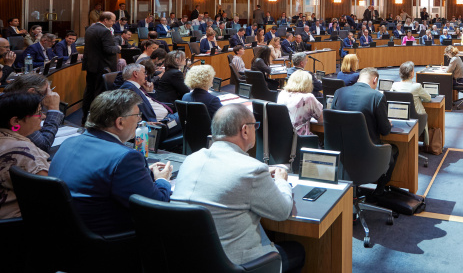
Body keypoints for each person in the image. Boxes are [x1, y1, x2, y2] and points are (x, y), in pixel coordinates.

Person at [171, 105, 304, 270]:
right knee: (298, 251)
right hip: (234, 265)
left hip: (185, 261)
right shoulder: (252, 170)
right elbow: (283, 211)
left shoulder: (190, 160)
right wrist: (281, 180)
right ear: (245, 131)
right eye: (255, 126)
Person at [50, 89, 172, 234]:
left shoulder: (69, 142)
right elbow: (156, 205)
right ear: (120, 122)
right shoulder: (125, 158)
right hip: (109, 241)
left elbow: (103, 176)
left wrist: (144, 174)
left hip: (66, 234)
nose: (140, 119)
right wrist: (162, 180)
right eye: (137, 115)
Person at [332, 68, 396, 194]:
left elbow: (333, 118)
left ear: (359, 78)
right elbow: (385, 131)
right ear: (375, 80)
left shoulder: (339, 92)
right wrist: (386, 123)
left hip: (340, 152)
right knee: (394, 150)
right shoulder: (377, 96)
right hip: (367, 154)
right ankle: (379, 192)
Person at [0, 91, 50, 219]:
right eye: (38, 113)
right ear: (16, 121)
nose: (43, 116)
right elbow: (51, 191)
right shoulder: (23, 151)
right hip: (20, 222)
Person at [81, 12, 121, 125]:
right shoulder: (104, 31)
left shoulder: (90, 28)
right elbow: (108, 49)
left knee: (89, 92)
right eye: (112, 20)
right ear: (105, 20)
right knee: (100, 94)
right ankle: (98, 120)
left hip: (92, 66)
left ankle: (86, 119)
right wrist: (117, 47)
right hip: (103, 67)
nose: (114, 23)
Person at [390, 61, 431, 145]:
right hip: (416, 118)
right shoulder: (417, 86)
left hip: (399, 117)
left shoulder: (395, 85)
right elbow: (428, 98)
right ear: (411, 74)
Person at [277, 71, 323, 136]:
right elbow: (322, 120)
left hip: (282, 137)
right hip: (300, 139)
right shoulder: (308, 97)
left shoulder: (282, 94)